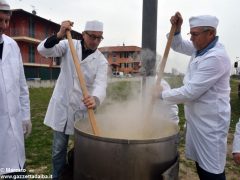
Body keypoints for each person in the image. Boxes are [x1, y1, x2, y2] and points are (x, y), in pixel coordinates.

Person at [153, 12, 231, 180]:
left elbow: (190, 92)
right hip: (197, 120)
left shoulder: (215, 57)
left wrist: (161, 95)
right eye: (191, 33)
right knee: (200, 164)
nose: (192, 38)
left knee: (212, 170)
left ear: (210, 33)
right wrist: (177, 29)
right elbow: (177, 45)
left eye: (195, 34)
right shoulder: (200, 48)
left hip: (211, 124)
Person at [37, 20, 108, 179]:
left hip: (82, 110)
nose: (96, 41)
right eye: (93, 37)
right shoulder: (69, 44)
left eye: (99, 38)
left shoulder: (101, 61)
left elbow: (101, 84)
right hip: (62, 106)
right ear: (83, 34)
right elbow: (43, 50)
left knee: (82, 151)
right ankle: (58, 176)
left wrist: (95, 99)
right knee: (58, 150)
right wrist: (60, 34)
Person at [0, 0, 31, 178]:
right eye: (0, 20)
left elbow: (22, 86)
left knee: (16, 172)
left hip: (13, 127)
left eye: (6, 21)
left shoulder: (13, 46)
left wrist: (26, 117)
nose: (4, 26)